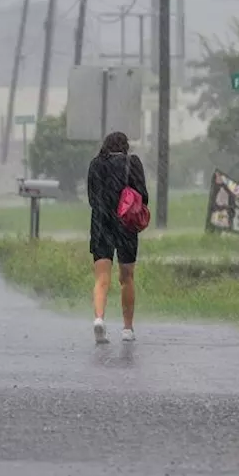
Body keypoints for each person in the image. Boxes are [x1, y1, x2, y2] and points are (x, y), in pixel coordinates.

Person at [86, 131, 149, 344]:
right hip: (126, 225)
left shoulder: (95, 164)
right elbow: (143, 196)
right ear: (125, 146)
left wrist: (105, 207)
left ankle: (98, 319)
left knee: (102, 278)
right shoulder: (133, 163)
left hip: (101, 223)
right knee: (126, 278)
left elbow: (92, 198)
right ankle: (127, 328)